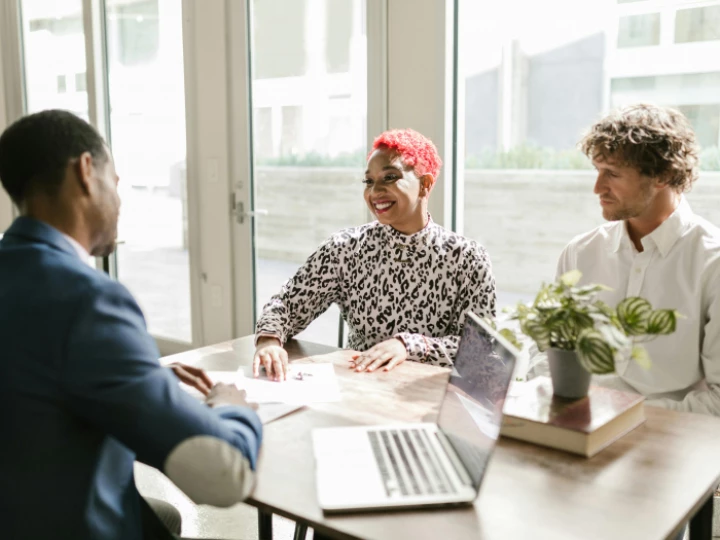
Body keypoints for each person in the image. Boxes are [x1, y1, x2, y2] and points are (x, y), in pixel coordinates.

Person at [0, 110, 262, 540]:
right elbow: (222, 473)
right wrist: (231, 406)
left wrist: (137, 375)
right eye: (117, 183)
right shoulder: (88, 299)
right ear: (86, 171)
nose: (120, 202)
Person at [253, 128, 496, 380]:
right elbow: (286, 304)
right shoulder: (345, 248)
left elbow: (480, 351)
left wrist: (407, 345)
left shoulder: (468, 258)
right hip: (359, 390)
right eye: (369, 181)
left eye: (390, 177)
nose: (375, 191)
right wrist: (269, 340)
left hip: (427, 399)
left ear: (425, 185)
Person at [552, 103, 720, 415]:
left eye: (612, 174)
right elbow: (550, 353)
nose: (597, 188)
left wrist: (619, 417)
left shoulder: (713, 264)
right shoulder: (579, 253)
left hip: (672, 444)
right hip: (576, 429)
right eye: (598, 171)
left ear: (663, 176)